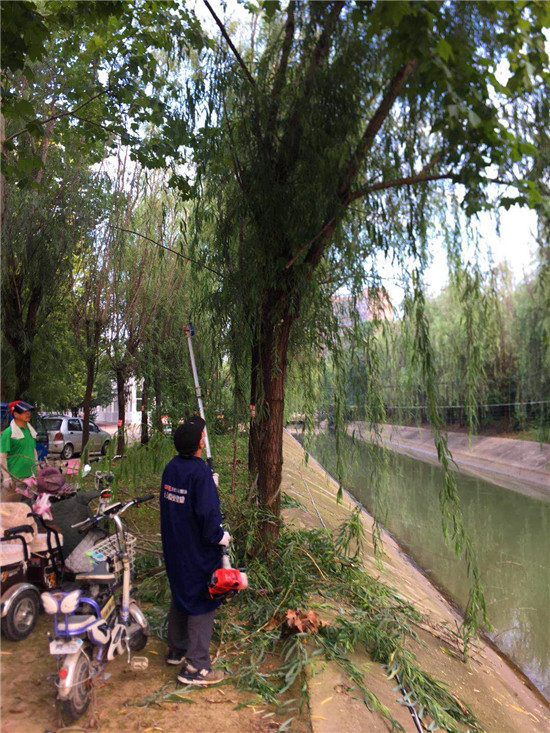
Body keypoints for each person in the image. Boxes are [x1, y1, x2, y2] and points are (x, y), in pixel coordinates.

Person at [160, 415, 230, 686]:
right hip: (196, 550)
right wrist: (220, 537)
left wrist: (208, 487)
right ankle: (196, 667)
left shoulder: (172, 467)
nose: (204, 438)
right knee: (203, 598)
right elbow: (208, 516)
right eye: (203, 435)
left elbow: (181, 502)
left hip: (175, 546)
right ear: (199, 443)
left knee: (180, 590)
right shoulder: (199, 473)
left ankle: (177, 648)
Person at [0, 400, 38, 501]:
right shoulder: (8, 433)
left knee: (27, 507)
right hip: (15, 479)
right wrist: (6, 477)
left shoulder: (30, 431)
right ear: (16, 414)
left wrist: (38, 468)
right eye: (24, 411)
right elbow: (2, 456)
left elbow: (33, 451)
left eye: (29, 411)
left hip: (30, 478)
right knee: (11, 508)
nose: (28, 413)